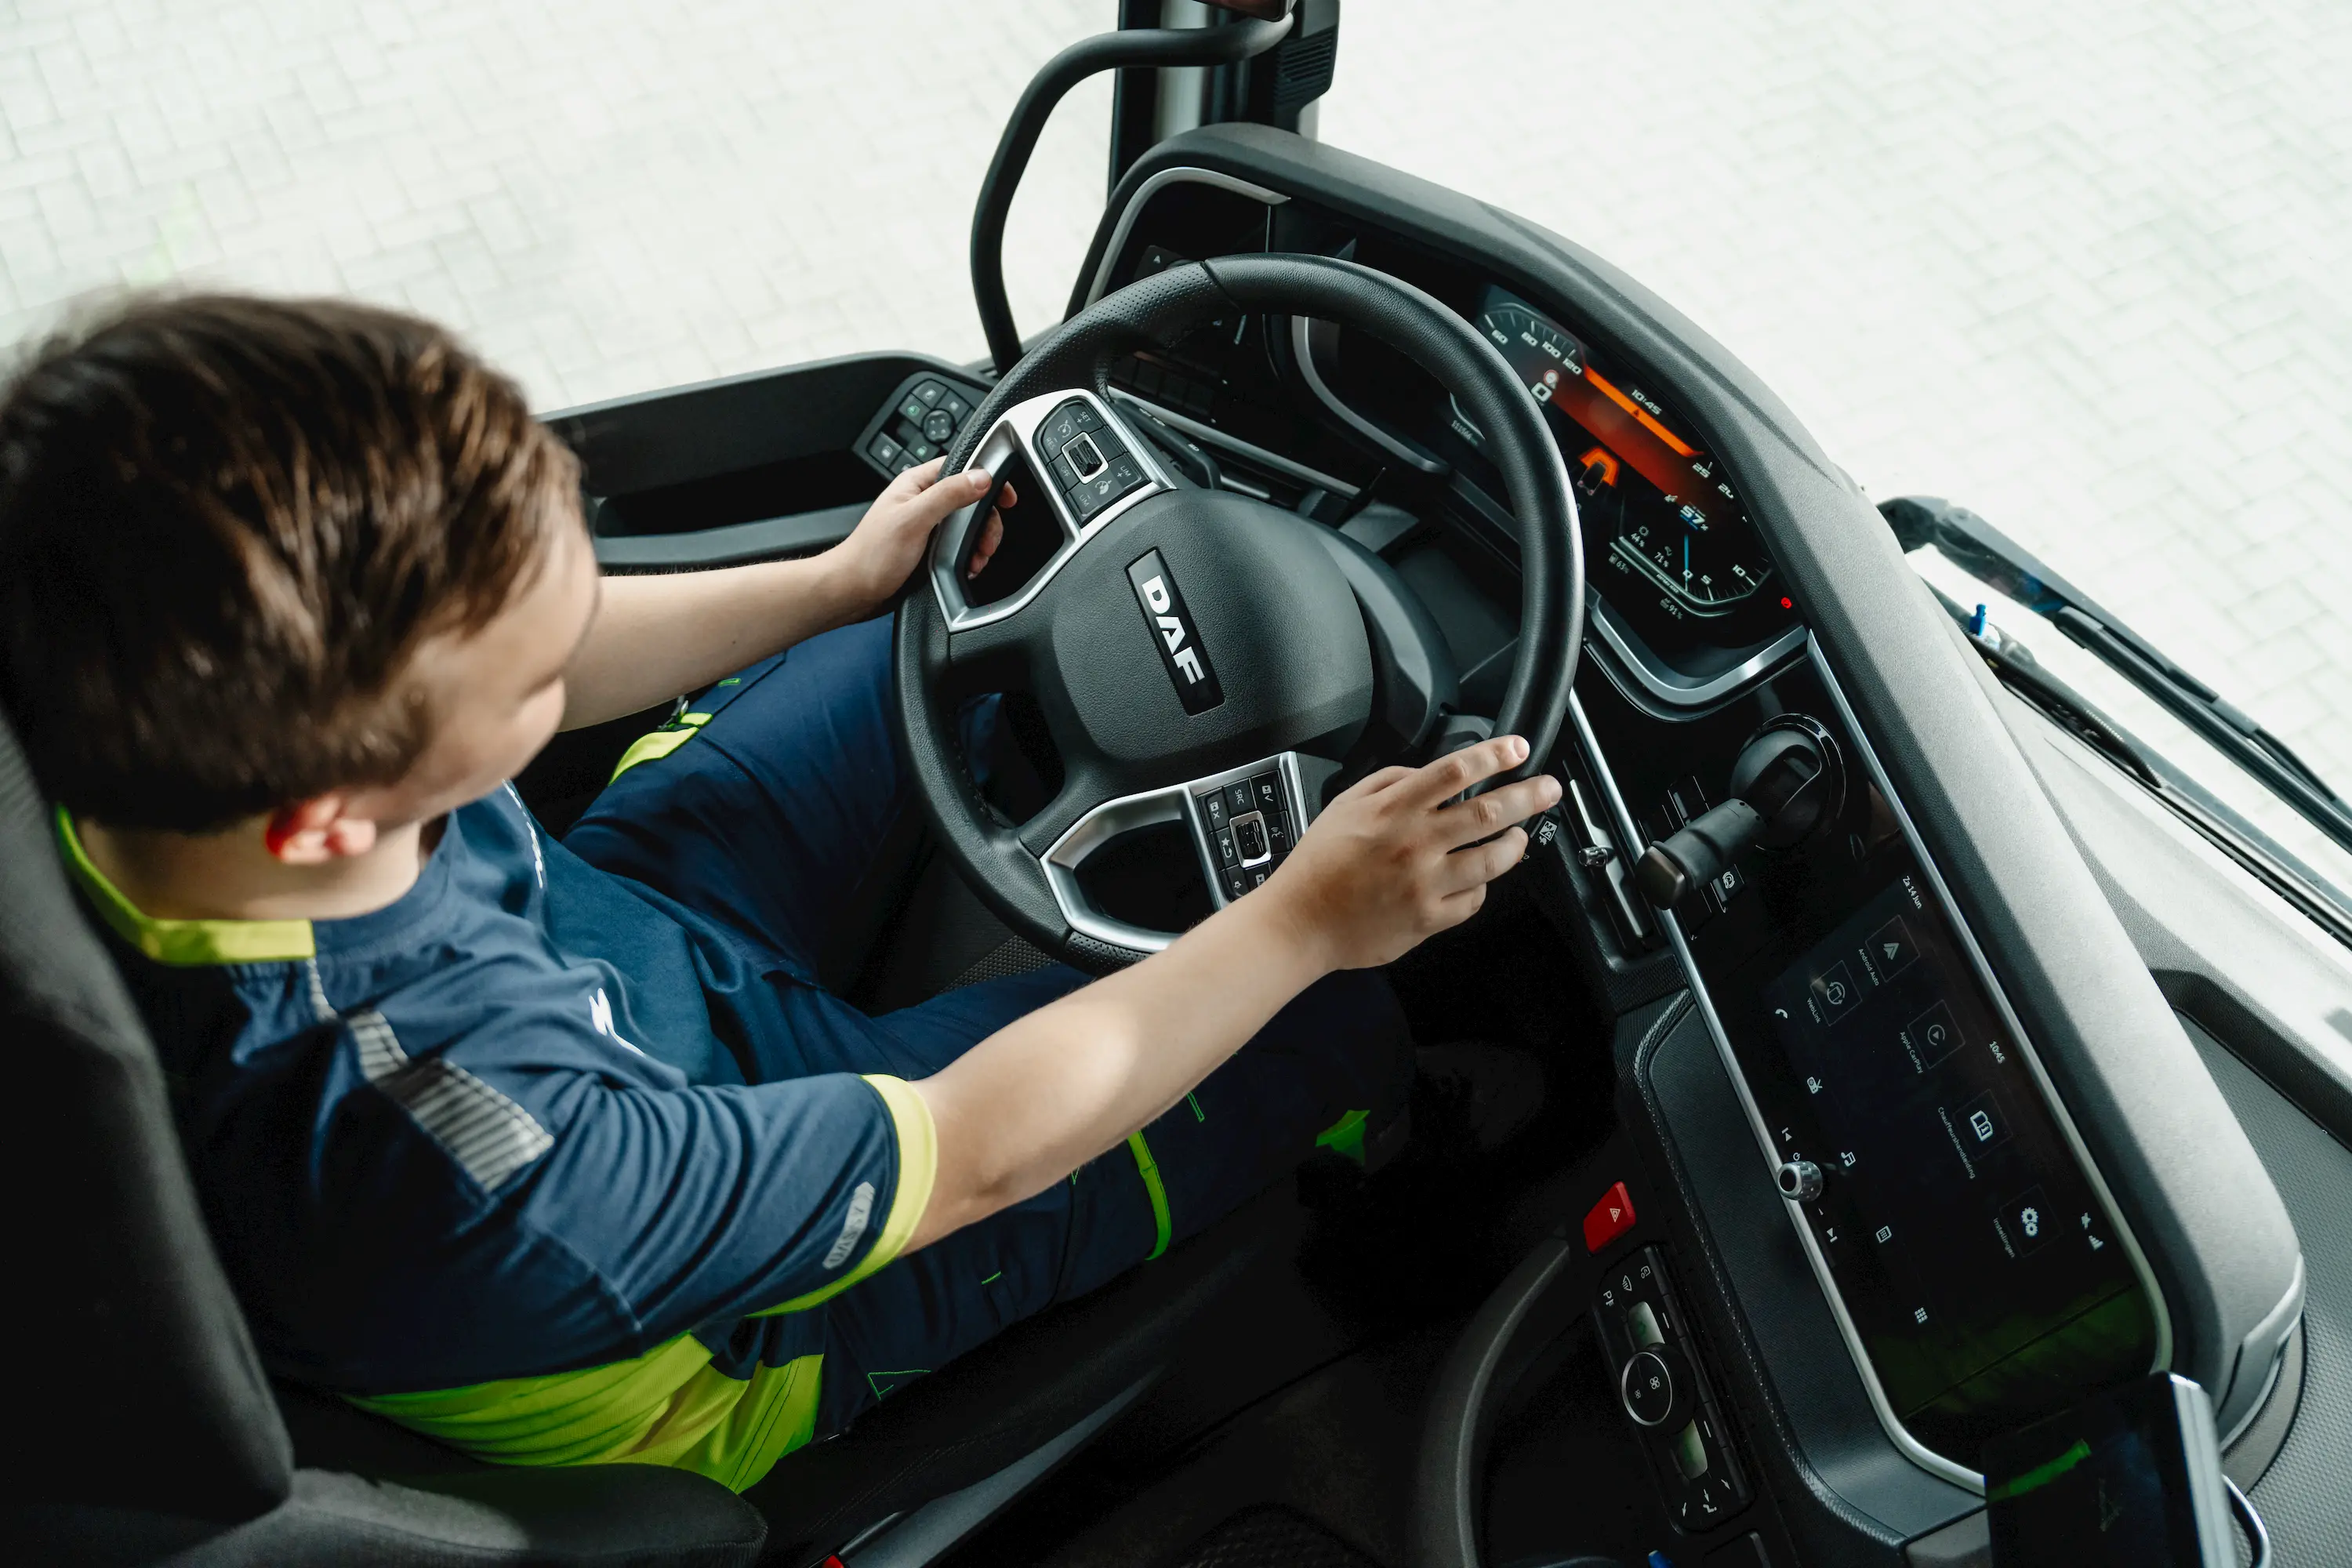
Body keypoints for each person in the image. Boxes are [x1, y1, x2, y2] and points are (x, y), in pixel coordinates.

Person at [0, 295, 1560, 1493]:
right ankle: (1391, 1121)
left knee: (919, 636)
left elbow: (548, 630)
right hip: (723, 1307)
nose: (571, 656)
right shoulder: (513, 1172)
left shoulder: (132, 733)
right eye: (536, 682)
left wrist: (837, 580)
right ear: (331, 818)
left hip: (604, 932)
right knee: (1324, 1008)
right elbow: (981, 1157)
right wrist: (1303, 922)